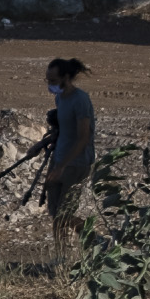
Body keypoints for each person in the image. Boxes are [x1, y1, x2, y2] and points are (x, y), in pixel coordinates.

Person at [42, 57, 97, 261]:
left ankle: (94, 239)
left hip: (76, 163)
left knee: (64, 213)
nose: (50, 85)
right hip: (59, 159)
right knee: (56, 214)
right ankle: (61, 257)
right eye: (47, 81)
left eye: (53, 80)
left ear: (66, 77)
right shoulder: (60, 99)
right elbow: (63, 130)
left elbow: (83, 137)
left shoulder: (80, 99)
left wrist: (62, 167)